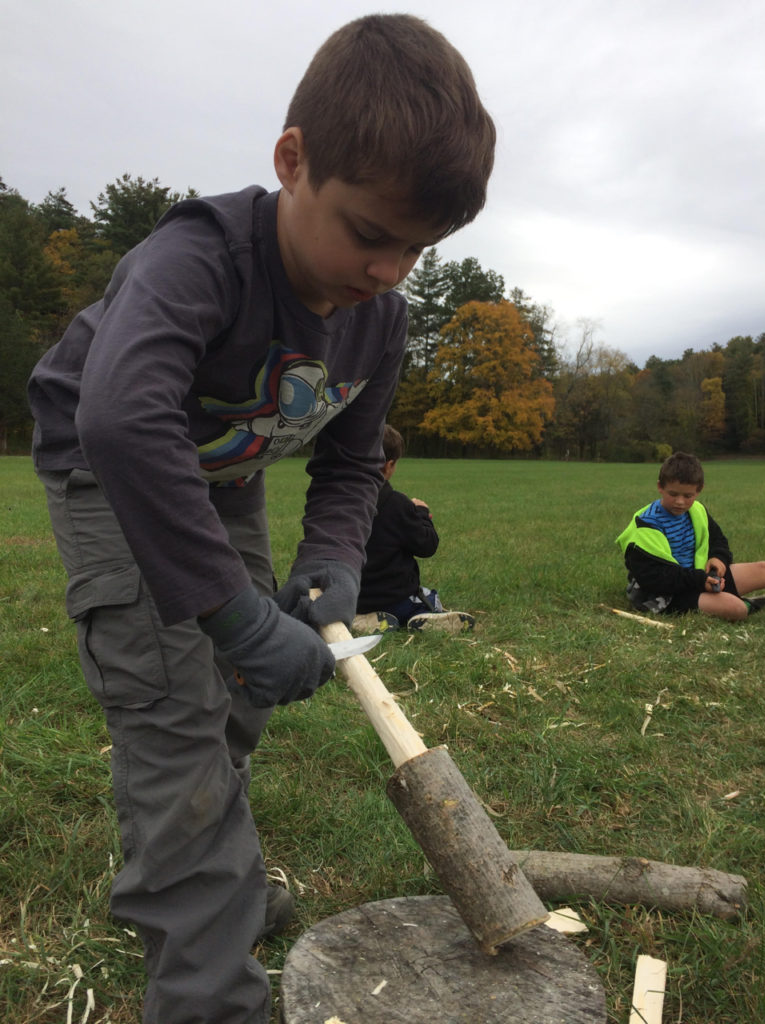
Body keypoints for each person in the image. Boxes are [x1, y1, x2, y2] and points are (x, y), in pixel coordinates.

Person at [26, 15, 495, 1024]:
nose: (387, 269)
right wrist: (231, 611)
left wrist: (327, 558)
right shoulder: (198, 257)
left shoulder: (384, 314)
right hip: (111, 472)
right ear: (292, 161)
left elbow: (352, 458)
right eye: (370, 233)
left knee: (239, 697)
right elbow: (119, 416)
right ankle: (207, 987)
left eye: (417, 249)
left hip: (221, 479)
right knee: (174, 709)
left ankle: (202, 875)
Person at [616, 451, 765, 621]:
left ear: (699, 490)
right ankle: (747, 603)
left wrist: (718, 558)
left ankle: (723, 597)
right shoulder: (645, 525)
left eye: (688, 496)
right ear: (660, 487)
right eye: (673, 494)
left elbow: (718, 541)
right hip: (665, 594)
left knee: (764, 569)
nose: (680, 502)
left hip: (700, 577)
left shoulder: (697, 511)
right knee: (736, 609)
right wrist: (700, 580)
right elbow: (654, 579)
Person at [353, 425, 475, 634]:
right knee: (429, 597)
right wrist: (421, 513)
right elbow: (427, 545)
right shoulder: (397, 504)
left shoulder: (343, 503)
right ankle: (424, 615)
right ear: (389, 465)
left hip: (352, 598)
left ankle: (362, 620)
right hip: (395, 599)